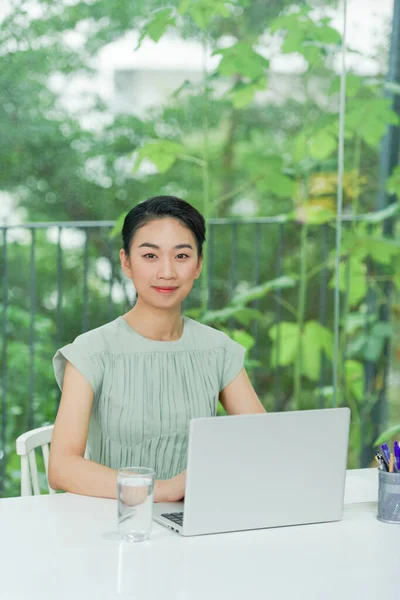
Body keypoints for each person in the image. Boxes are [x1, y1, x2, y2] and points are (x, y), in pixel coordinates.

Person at [48, 196, 266, 502]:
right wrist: (162, 490)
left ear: (199, 264)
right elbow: (61, 468)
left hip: (196, 522)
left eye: (181, 256)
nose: (167, 272)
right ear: (126, 262)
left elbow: (264, 443)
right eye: (150, 256)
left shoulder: (218, 350)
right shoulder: (92, 351)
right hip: (115, 524)